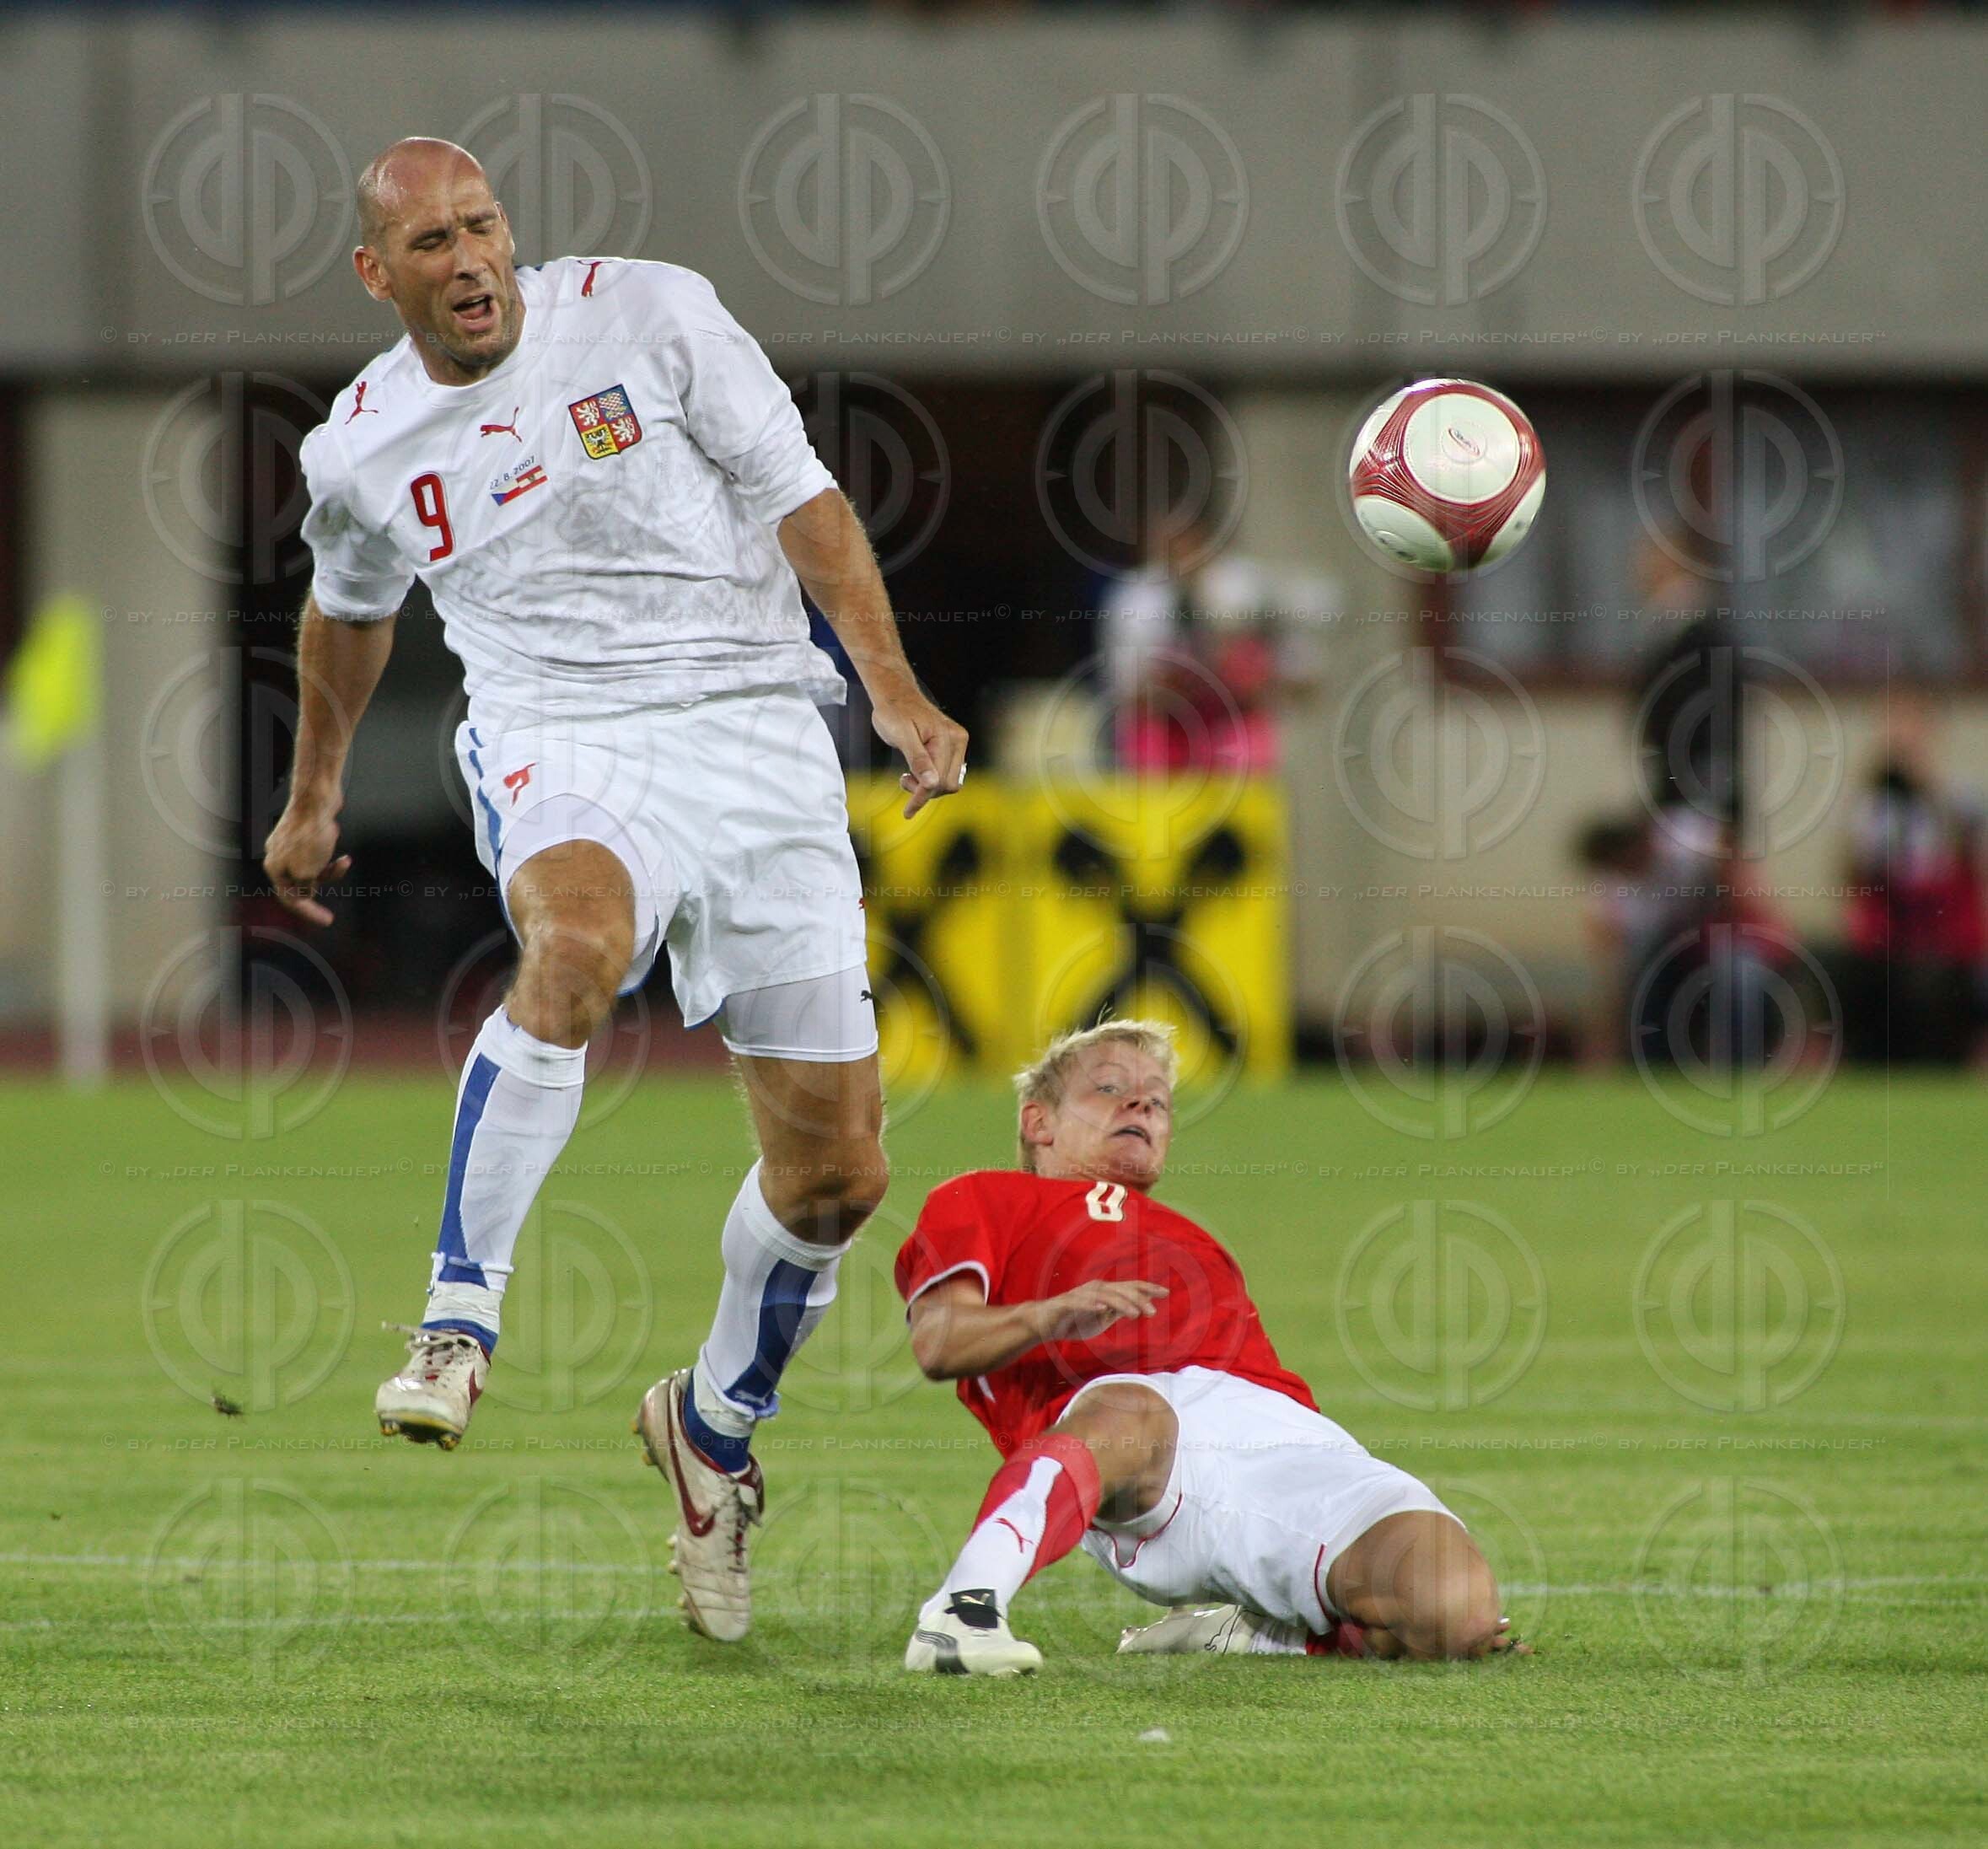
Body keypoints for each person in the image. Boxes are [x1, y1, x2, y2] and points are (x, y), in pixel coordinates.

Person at [261, 138, 966, 1644]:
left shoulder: (652, 315)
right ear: (376, 274)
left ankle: (709, 1426)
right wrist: (315, 792)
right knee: (575, 946)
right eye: (431, 244)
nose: (470, 261)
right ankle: (456, 1320)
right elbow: (348, 611)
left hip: (759, 729)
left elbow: (801, 497)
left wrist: (892, 689)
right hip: (563, 732)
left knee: (837, 1180)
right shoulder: (360, 447)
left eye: (482, 226)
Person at [892, 1021, 1527, 1675]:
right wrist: (1050, 1313)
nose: (1141, 1103)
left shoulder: (1198, 1241)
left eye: (1158, 1100)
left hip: (1287, 1438)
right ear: (1039, 1121)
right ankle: (961, 1611)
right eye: (1109, 1088)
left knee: (1456, 1613)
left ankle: (1252, 1632)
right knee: (1131, 1409)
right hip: (1132, 1453)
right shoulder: (982, 1197)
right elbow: (940, 1342)